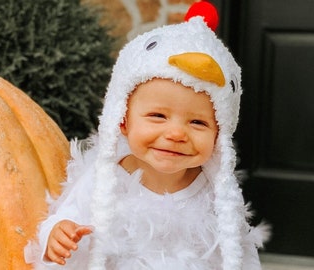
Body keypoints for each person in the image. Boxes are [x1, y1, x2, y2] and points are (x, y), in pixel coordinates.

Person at [25, 1, 268, 269]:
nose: (176, 133)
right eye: (158, 116)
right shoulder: (104, 179)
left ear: (219, 135)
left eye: (197, 122)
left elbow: (244, 256)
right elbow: (65, 216)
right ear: (123, 121)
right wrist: (57, 234)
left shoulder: (217, 197)